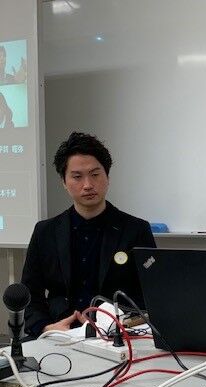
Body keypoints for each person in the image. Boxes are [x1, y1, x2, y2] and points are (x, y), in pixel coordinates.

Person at [22, 132, 156, 337]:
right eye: (77, 177)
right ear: (64, 181)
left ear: (107, 177)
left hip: (116, 336)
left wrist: (113, 323)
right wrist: (46, 327)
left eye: (95, 174)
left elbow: (151, 293)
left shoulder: (136, 230)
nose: (87, 185)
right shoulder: (45, 232)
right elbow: (30, 294)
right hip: (58, 334)